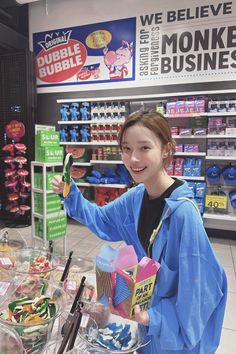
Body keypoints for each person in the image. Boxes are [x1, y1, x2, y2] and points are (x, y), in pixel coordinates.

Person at [52, 111, 227, 354]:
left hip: (177, 337)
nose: (133, 158)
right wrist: (71, 194)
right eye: (126, 148)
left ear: (166, 149)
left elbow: (200, 294)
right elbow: (102, 220)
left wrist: (154, 318)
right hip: (146, 319)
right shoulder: (136, 197)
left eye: (144, 147)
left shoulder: (183, 214)